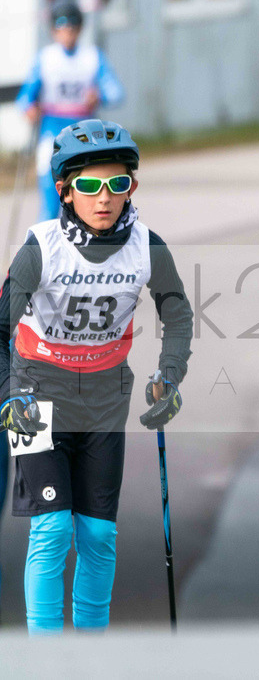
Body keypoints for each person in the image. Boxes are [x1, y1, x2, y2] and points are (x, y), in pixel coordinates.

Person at [0, 119, 193, 634]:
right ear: (64, 189)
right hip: (33, 392)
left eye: (117, 183)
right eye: (88, 184)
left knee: (99, 537)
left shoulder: (147, 246)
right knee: (51, 532)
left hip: (105, 399)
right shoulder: (40, 248)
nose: (103, 197)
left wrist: (170, 376)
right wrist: (6, 396)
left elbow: (177, 310)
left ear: (132, 187)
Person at [16, 0, 124, 222]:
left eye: (72, 27)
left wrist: (99, 96)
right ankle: (41, 252)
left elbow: (116, 93)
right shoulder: (45, 59)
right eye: (61, 28)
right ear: (53, 30)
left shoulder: (92, 57)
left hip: (84, 133)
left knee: (84, 199)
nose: (67, 33)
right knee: (50, 199)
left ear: (80, 29)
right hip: (52, 132)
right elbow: (24, 97)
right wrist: (30, 108)